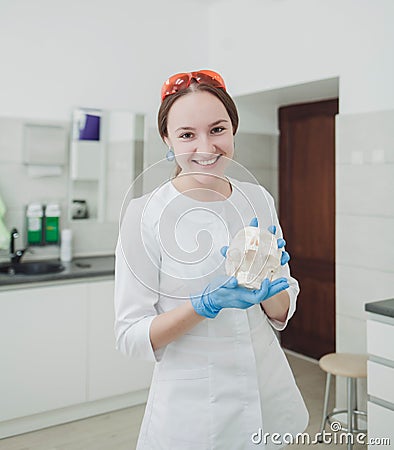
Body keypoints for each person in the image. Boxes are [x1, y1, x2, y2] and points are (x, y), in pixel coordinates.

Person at [114, 70, 309, 450]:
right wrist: (204, 306)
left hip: (267, 394)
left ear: (233, 130)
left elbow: (282, 308)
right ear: (167, 141)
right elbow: (130, 336)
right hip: (192, 412)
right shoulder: (144, 214)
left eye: (217, 129)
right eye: (187, 134)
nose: (206, 147)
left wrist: (269, 287)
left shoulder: (258, 198)